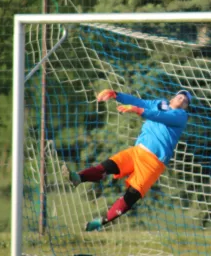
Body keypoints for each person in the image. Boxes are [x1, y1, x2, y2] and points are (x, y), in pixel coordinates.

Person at [62, 88, 192, 231]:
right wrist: (116, 95)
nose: (183, 100)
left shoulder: (181, 116)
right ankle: (77, 178)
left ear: (186, 107)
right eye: (180, 96)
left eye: (186, 101)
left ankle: (101, 222)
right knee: (107, 166)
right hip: (137, 152)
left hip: (153, 163)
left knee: (131, 196)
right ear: (172, 98)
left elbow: (160, 117)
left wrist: (139, 110)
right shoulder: (159, 103)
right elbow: (138, 101)